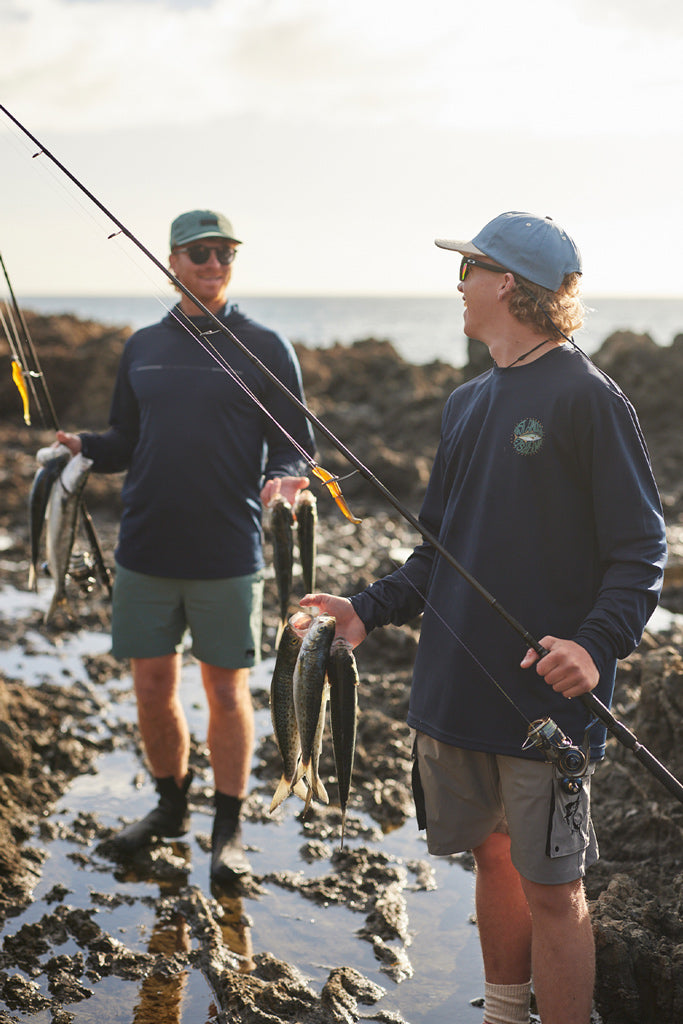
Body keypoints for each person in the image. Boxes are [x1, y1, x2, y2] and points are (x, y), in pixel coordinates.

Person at [301, 212, 667, 1024]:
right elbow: (438, 553)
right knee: (489, 859)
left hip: (546, 705)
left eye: (466, 270)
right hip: (454, 690)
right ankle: (504, 1013)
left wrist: (593, 644)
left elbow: (641, 551)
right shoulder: (465, 402)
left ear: (505, 283)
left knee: (554, 887)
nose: (458, 286)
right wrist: (366, 610)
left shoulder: (588, 398)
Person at [56, 209, 315, 886]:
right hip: (145, 546)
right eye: (201, 252)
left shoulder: (264, 346)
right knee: (150, 686)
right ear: (173, 260)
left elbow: (294, 442)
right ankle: (171, 808)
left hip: (227, 551)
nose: (214, 263)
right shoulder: (142, 346)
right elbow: (123, 441)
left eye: (226, 252)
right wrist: (86, 448)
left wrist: (284, 474)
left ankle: (226, 833)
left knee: (227, 692)